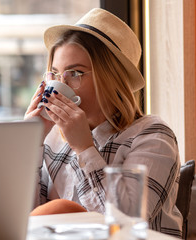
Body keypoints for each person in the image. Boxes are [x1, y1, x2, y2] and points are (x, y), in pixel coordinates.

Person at [24, 8, 183, 238]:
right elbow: (26, 221)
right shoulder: (53, 140)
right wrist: (30, 144)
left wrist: (84, 149)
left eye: (75, 73)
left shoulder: (152, 136)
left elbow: (125, 228)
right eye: (56, 74)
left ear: (112, 79)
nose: (61, 84)